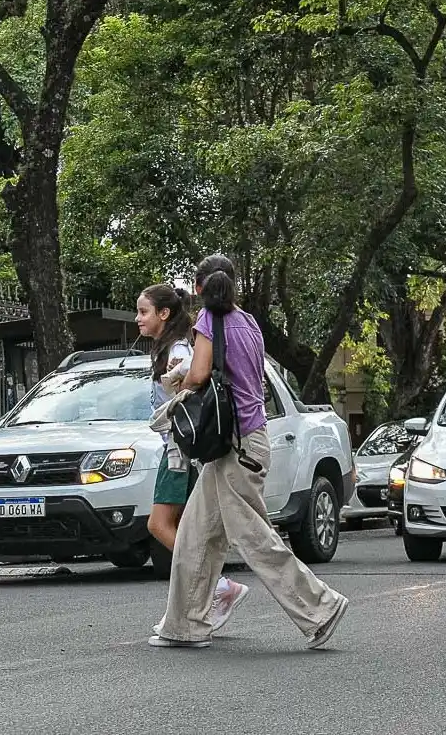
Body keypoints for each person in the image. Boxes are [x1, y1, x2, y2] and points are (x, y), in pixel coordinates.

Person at [150, 255, 349, 650]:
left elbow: (201, 373)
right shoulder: (249, 322)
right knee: (194, 533)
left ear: (199, 286)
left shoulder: (209, 321)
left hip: (235, 446)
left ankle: (321, 608)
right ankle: (185, 625)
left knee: (254, 537)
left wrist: (178, 381)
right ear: (234, 284)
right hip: (247, 441)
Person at [136, 284, 249, 634]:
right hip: (180, 449)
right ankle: (199, 604)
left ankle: (218, 588)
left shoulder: (178, 349)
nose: (138, 319)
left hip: (177, 451)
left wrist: (176, 378)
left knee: (159, 525)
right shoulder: (170, 346)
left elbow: (191, 380)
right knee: (189, 527)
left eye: (144, 311)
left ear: (163, 314)